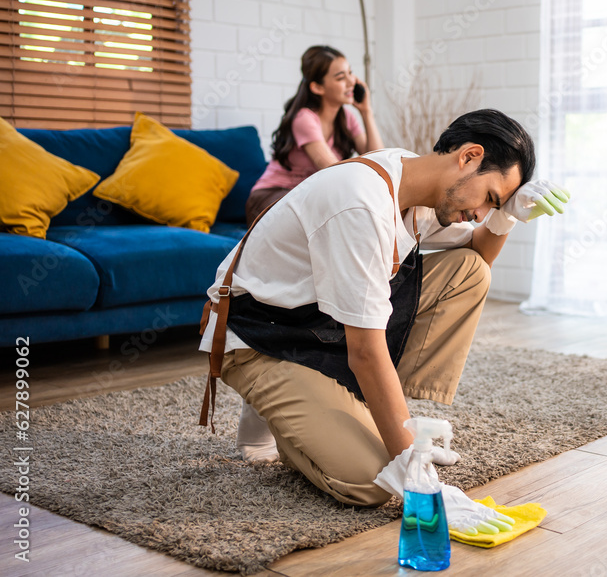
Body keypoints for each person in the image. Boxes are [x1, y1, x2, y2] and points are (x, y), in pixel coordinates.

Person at [199, 109, 570, 512]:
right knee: (373, 482)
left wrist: (507, 215)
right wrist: (413, 469)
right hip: (259, 336)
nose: (481, 213)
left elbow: (477, 256)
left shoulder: (417, 185)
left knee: (467, 272)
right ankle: (277, 403)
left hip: (317, 324)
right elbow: (365, 351)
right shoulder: (362, 203)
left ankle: (338, 407)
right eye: (490, 199)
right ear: (469, 156)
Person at [244, 45, 384, 224]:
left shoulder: (347, 118)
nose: (352, 82)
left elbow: (377, 159)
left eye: (350, 73)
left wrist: (366, 112)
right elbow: (335, 172)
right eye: (341, 77)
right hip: (271, 196)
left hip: (304, 197)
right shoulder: (304, 119)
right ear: (318, 87)